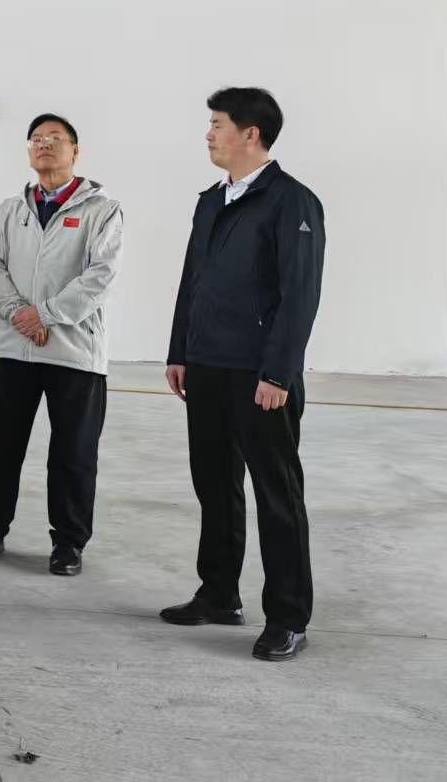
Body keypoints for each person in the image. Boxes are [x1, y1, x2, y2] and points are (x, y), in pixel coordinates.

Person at [162, 88, 324, 662]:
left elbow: (300, 294)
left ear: (250, 133)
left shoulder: (291, 201)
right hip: (207, 366)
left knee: (276, 494)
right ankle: (218, 594)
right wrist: (179, 350)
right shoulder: (212, 199)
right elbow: (193, 279)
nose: (209, 133)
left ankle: (288, 616)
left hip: (259, 375)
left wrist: (278, 373)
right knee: (214, 484)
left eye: (217, 124)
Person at [0, 114, 123, 577]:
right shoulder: (11, 208)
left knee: (74, 454)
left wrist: (46, 314)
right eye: (37, 139)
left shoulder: (101, 210)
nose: (45, 145)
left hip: (74, 352)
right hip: (15, 348)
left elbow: (101, 276)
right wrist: (19, 312)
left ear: (76, 150)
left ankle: (69, 543)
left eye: (56, 139)